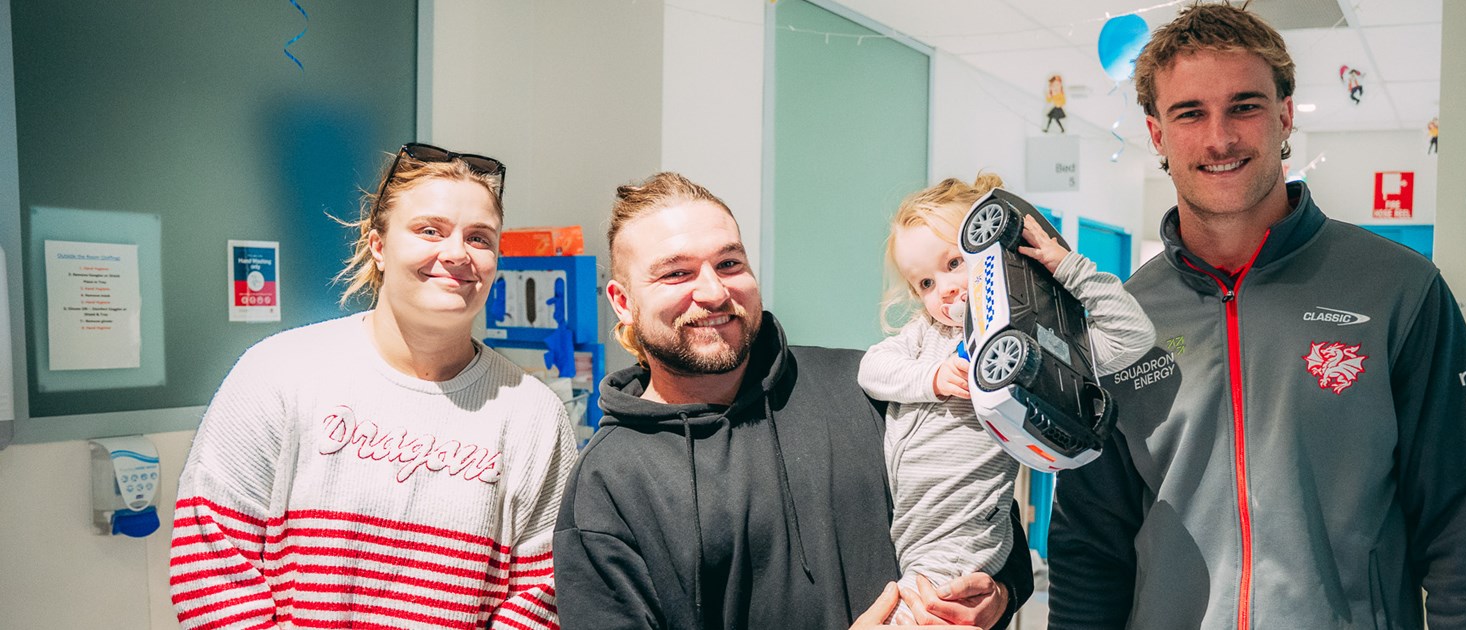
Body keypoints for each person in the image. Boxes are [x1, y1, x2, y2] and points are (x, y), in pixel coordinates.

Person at [1048, 5, 1466, 630]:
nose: (1219, 138)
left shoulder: (1399, 291)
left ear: (1285, 115)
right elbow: (1090, 546)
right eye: (1190, 113)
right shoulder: (1118, 320)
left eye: (1244, 106)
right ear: (1157, 134)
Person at [551, 172, 1032, 629]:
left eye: (729, 264)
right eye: (676, 274)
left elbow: (983, 507)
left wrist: (1000, 594)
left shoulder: (863, 387)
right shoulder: (607, 483)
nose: (714, 291)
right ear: (623, 301)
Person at [169, 143, 577, 630]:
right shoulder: (277, 372)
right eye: (430, 230)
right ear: (378, 245)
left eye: (480, 238)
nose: (456, 254)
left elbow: (543, 595)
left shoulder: (532, 415)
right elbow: (212, 566)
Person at [858, 173, 1154, 623]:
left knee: (922, 614)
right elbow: (872, 369)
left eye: (954, 263)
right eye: (924, 284)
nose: (945, 290)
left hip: (967, 530)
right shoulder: (926, 337)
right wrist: (932, 377)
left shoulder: (1039, 339)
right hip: (914, 525)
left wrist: (1070, 268)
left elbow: (1133, 337)